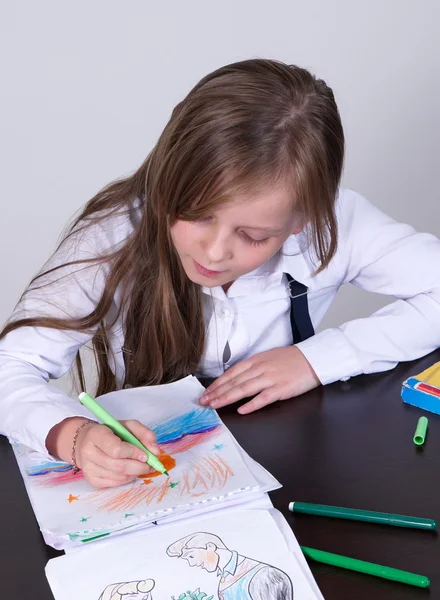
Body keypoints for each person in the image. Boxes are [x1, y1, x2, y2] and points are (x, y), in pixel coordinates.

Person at [1, 59, 439, 489]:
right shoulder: (109, 240)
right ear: (168, 177)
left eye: (252, 236)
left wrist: (318, 358)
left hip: (290, 472)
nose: (214, 251)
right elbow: (9, 366)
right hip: (148, 475)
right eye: (195, 214)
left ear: (302, 221)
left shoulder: (338, 224)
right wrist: (72, 436)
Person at [166, 532, 293, 599]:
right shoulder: (224, 578)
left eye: (191, 556)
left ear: (210, 547)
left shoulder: (264, 575)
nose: (193, 563)